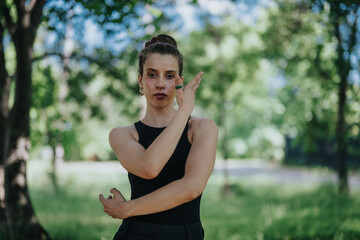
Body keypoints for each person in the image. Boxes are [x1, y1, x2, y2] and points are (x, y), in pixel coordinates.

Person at [99, 34, 218, 240]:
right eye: (152, 75)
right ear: (140, 80)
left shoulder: (202, 128)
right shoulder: (123, 134)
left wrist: (127, 209)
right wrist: (184, 111)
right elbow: (150, 167)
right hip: (136, 234)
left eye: (169, 76)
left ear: (179, 81)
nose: (161, 84)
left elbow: (191, 188)